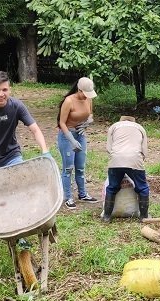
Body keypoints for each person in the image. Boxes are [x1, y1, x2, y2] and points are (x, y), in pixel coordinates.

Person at [57, 77, 99, 209]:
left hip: (80, 134)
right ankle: (68, 197)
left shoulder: (89, 99)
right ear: (79, 89)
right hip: (67, 135)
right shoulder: (69, 101)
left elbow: (90, 114)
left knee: (80, 167)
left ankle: (83, 194)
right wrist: (71, 139)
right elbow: (61, 123)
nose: (86, 96)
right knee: (68, 168)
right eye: (84, 93)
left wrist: (88, 122)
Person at [102, 116, 149, 223]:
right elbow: (144, 150)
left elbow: (109, 148)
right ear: (133, 121)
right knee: (142, 188)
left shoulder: (114, 126)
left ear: (121, 120)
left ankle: (107, 217)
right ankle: (144, 217)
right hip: (134, 159)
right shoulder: (140, 128)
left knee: (112, 187)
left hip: (116, 160)